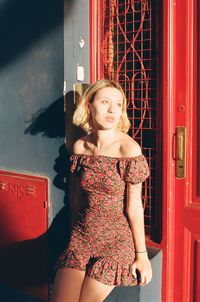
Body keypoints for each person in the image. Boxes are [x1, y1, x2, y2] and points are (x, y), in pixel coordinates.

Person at [52, 79, 152, 302]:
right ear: (89, 105)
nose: (112, 110)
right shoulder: (81, 147)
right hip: (83, 234)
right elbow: (75, 199)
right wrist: (73, 239)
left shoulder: (128, 148)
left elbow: (134, 207)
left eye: (118, 104)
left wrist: (142, 255)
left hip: (116, 240)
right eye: (105, 102)